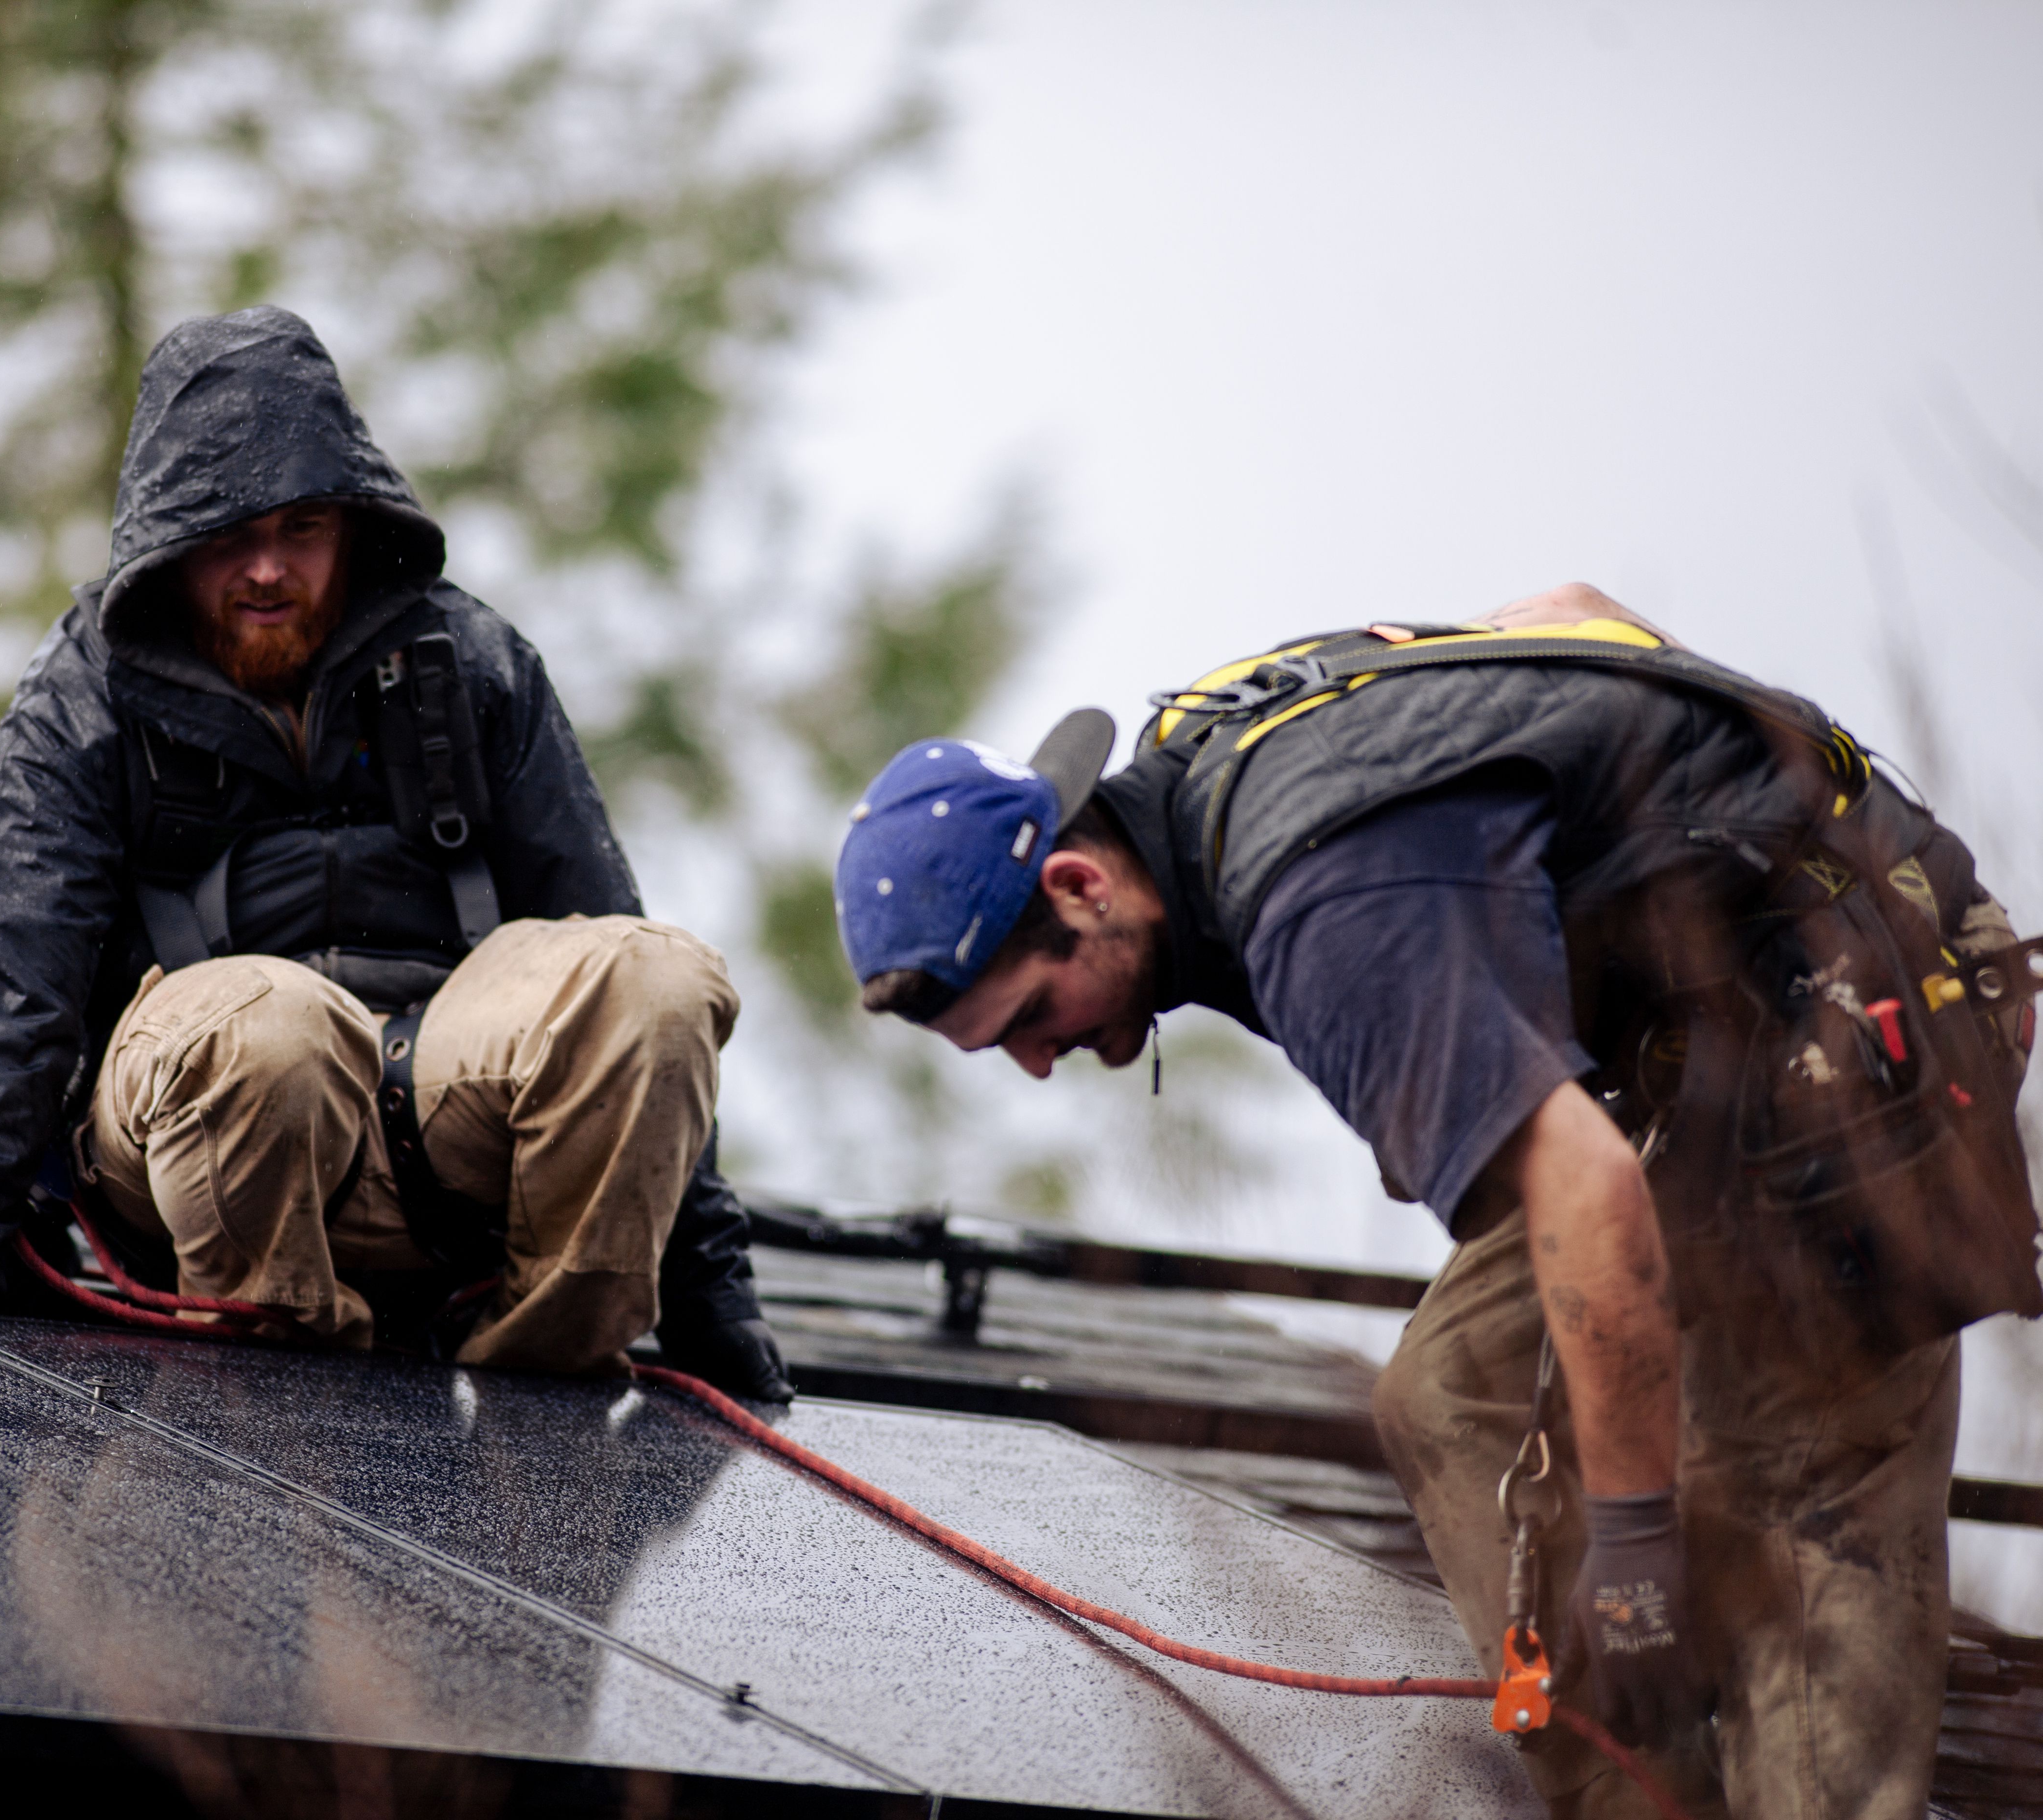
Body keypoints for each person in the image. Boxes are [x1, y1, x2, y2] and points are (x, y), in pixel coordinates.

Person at [832, 584, 2042, 1817]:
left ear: (1082, 885)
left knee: (1785, 1477)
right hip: (1695, 1061)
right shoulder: (1211, 762)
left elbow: (1591, 1188)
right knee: (1450, 1389)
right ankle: (1637, 1789)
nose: (1042, 1062)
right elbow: (1574, 617)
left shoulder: (1323, 904)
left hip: (1850, 1038)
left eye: (1032, 1016)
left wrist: (1629, 1555)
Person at [0, 305, 791, 1398]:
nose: (267, 569)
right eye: (228, 535)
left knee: (654, 975)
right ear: (168, 541)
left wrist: (712, 1296)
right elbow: (4, 985)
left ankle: (542, 1423)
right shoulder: (85, 701)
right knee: (271, 1033)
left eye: (301, 527)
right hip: (199, 1140)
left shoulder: (474, 665)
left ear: (354, 525)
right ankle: (276, 1407)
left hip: (444, 1134)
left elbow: (599, 950)